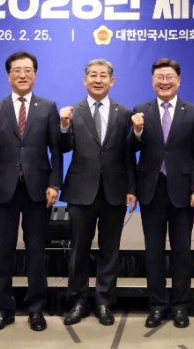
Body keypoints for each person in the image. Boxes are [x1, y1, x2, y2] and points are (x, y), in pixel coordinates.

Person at [0, 51, 63, 332]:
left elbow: (57, 150)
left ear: (35, 75)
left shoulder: (48, 107)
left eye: (28, 70)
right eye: (17, 70)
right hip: (3, 189)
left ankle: (36, 309)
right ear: (8, 76)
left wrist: (54, 184)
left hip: (38, 190)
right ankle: (4, 310)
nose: (22, 75)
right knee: (3, 251)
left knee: (36, 252)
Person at [130, 58, 194, 329]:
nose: (164, 82)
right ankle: (157, 306)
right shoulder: (140, 111)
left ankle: (180, 306)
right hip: (151, 190)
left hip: (183, 192)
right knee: (153, 252)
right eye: (159, 77)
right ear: (153, 81)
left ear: (179, 80)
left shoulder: (193, 111)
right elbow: (130, 150)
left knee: (181, 252)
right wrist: (136, 132)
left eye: (169, 77)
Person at [58, 59, 137, 326]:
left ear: (112, 81)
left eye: (103, 76)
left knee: (110, 250)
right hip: (81, 191)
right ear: (85, 80)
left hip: (114, 191)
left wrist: (131, 189)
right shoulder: (73, 112)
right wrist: (63, 126)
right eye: (93, 75)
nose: (98, 80)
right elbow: (64, 147)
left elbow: (129, 154)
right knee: (78, 250)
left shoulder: (124, 113)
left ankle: (104, 301)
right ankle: (78, 302)